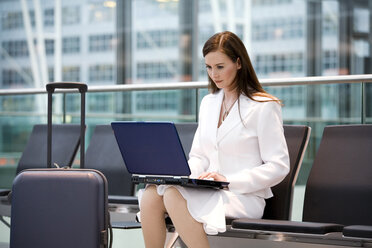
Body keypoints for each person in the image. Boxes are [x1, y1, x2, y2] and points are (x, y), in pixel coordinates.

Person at [138, 31, 290, 248]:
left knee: (172, 195)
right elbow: (199, 155)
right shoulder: (209, 103)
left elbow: (278, 166)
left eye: (220, 66)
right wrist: (176, 175)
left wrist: (227, 180)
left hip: (241, 194)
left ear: (238, 63)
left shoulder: (263, 106)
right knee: (152, 193)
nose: (214, 74)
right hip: (207, 189)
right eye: (209, 67)